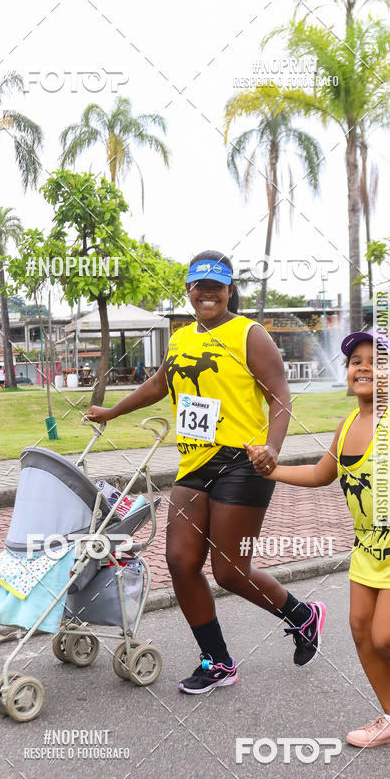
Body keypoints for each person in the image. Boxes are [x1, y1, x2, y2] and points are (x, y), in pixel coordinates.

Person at [84, 251, 326, 693]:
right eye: (200, 286)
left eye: (217, 286)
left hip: (243, 462)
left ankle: (302, 615)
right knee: (180, 561)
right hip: (194, 463)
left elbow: (280, 396)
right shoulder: (181, 338)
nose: (208, 293)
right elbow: (160, 383)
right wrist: (111, 412)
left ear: (230, 290)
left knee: (230, 571)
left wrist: (272, 447)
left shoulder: (248, 334)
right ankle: (217, 661)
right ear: (189, 290)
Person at [247, 331, 390, 746]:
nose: (364, 367)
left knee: (387, 637)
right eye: (356, 361)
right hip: (368, 549)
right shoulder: (348, 423)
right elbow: (321, 474)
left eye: (376, 361)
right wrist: (271, 470)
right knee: (360, 629)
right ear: (347, 371)